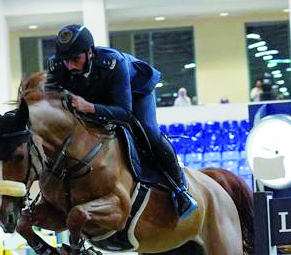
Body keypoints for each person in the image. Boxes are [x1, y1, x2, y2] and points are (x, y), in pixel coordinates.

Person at [47, 24, 197, 219]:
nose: (71, 66)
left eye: (76, 59)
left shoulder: (113, 62)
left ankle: (180, 190)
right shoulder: (57, 67)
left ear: (90, 52)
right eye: (66, 61)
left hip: (135, 92)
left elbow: (125, 113)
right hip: (96, 96)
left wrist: (91, 108)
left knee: (149, 132)